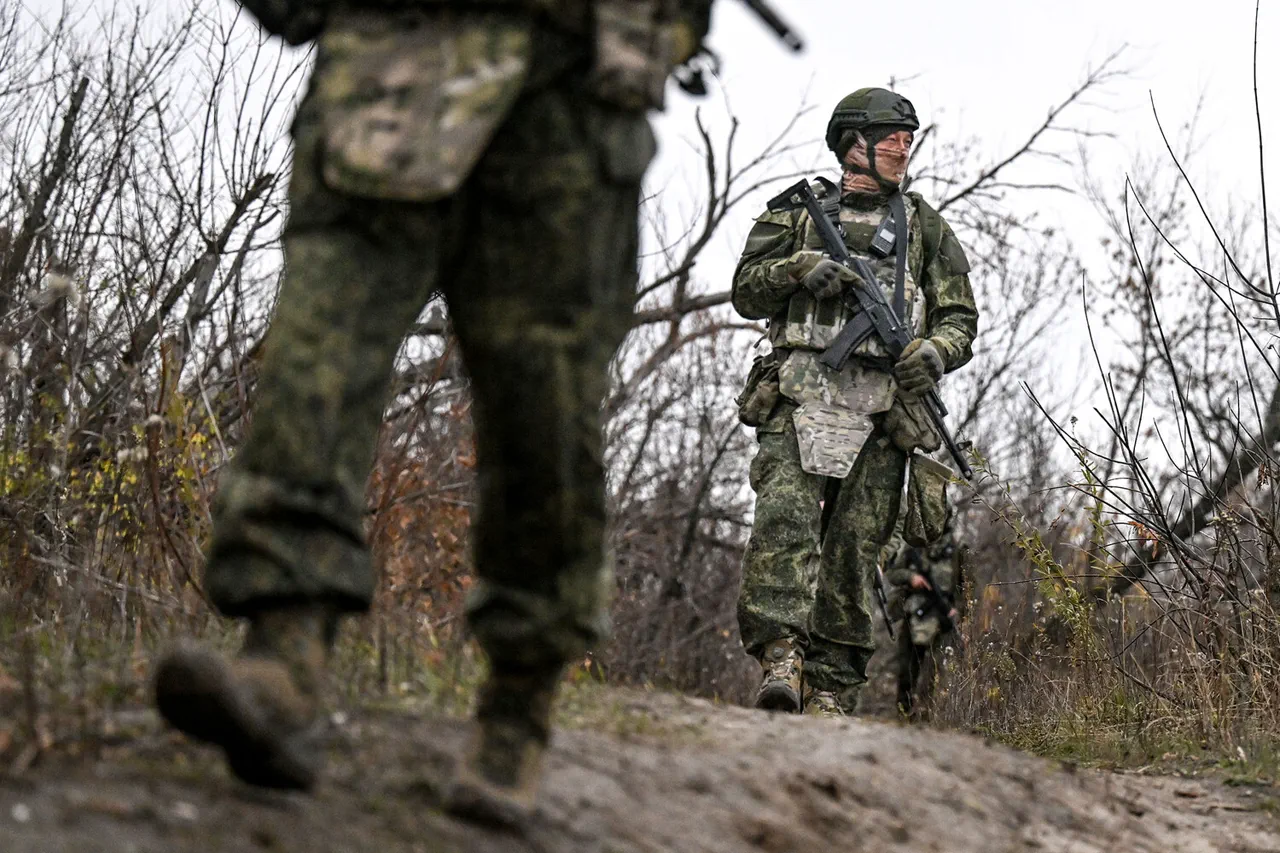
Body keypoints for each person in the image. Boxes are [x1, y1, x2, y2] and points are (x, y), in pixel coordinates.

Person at [152, 0, 713, 824]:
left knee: (543, 423)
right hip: (386, 91)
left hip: (560, 119)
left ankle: (518, 705)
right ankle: (284, 659)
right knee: (315, 367)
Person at [731, 87, 978, 717]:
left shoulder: (925, 227)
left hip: (882, 413)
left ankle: (834, 689)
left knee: (855, 549)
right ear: (854, 144)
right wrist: (796, 270)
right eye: (891, 136)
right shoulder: (795, 214)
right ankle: (781, 659)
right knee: (784, 529)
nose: (903, 147)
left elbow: (959, 318)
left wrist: (935, 353)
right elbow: (745, 292)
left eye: (907, 137)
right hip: (797, 398)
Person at [881, 510, 964, 716]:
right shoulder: (914, 546)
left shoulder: (956, 550)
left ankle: (929, 713)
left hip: (943, 616)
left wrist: (960, 614)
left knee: (935, 670)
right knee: (907, 668)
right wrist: (911, 578)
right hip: (913, 612)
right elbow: (892, 573)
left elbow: (966, 587)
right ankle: (904, 711)